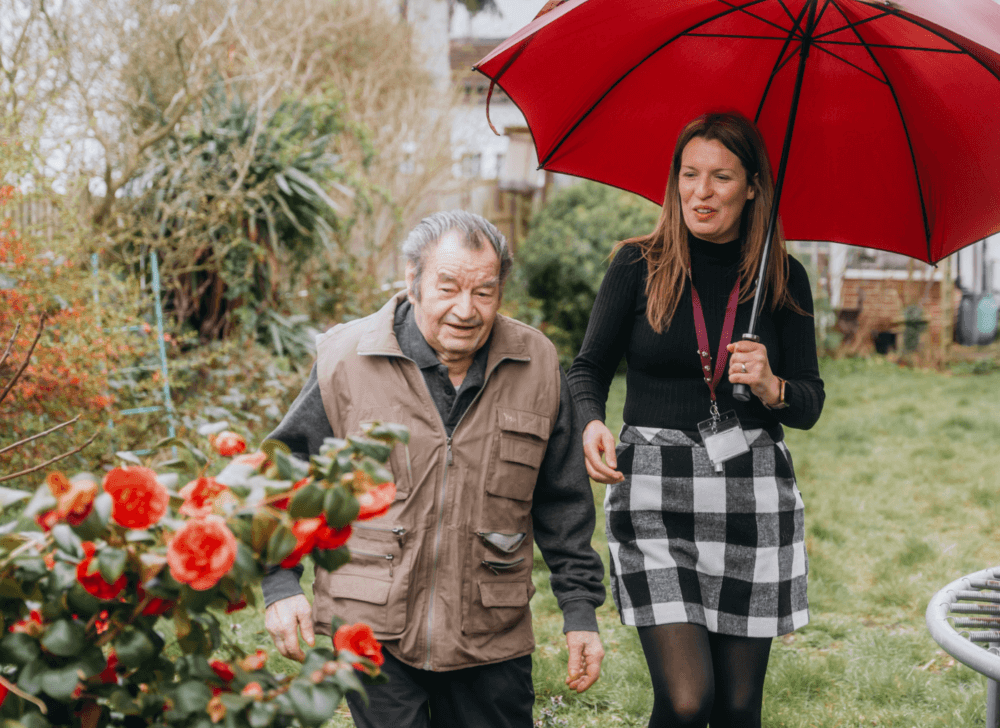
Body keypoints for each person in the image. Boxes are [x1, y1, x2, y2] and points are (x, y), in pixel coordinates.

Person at [262, 210, 607, 728]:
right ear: (413, 279)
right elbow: (287, 472)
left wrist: (580, 611)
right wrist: (280, 584)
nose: (465, 310)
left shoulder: (536, 363)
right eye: (447, 287)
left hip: (491, 630)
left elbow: (563, 500)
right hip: (371, 625)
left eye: (484, 292)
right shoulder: (347, 358)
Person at [567, 113, 824, 728]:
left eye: (720, 177)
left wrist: (772, 385)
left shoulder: (783, 279)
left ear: (754, 187)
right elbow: (587, 369)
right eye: (689, 175)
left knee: (737, 707)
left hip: (751, 491)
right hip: (653, 490)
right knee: (687, 701)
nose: (701, 193)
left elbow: (810, 403)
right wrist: (590, 422)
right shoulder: (638, 265)